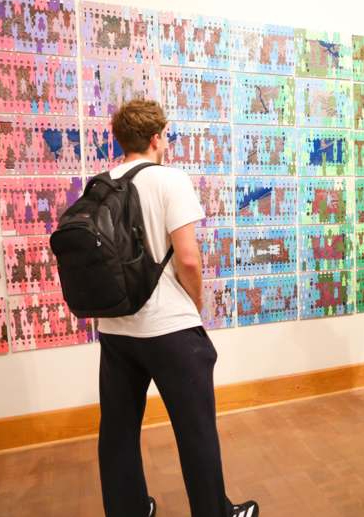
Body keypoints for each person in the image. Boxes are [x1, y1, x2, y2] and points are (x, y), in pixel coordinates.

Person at [96, 100, 258, 517]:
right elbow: (188, 258)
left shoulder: (99, 183)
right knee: (196, 430)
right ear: (155, 138)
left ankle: (129, 509)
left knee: (118, 431)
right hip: (169, 327)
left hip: (116, 328)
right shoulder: (169, 180)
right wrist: (196, 304)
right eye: (165, 135)